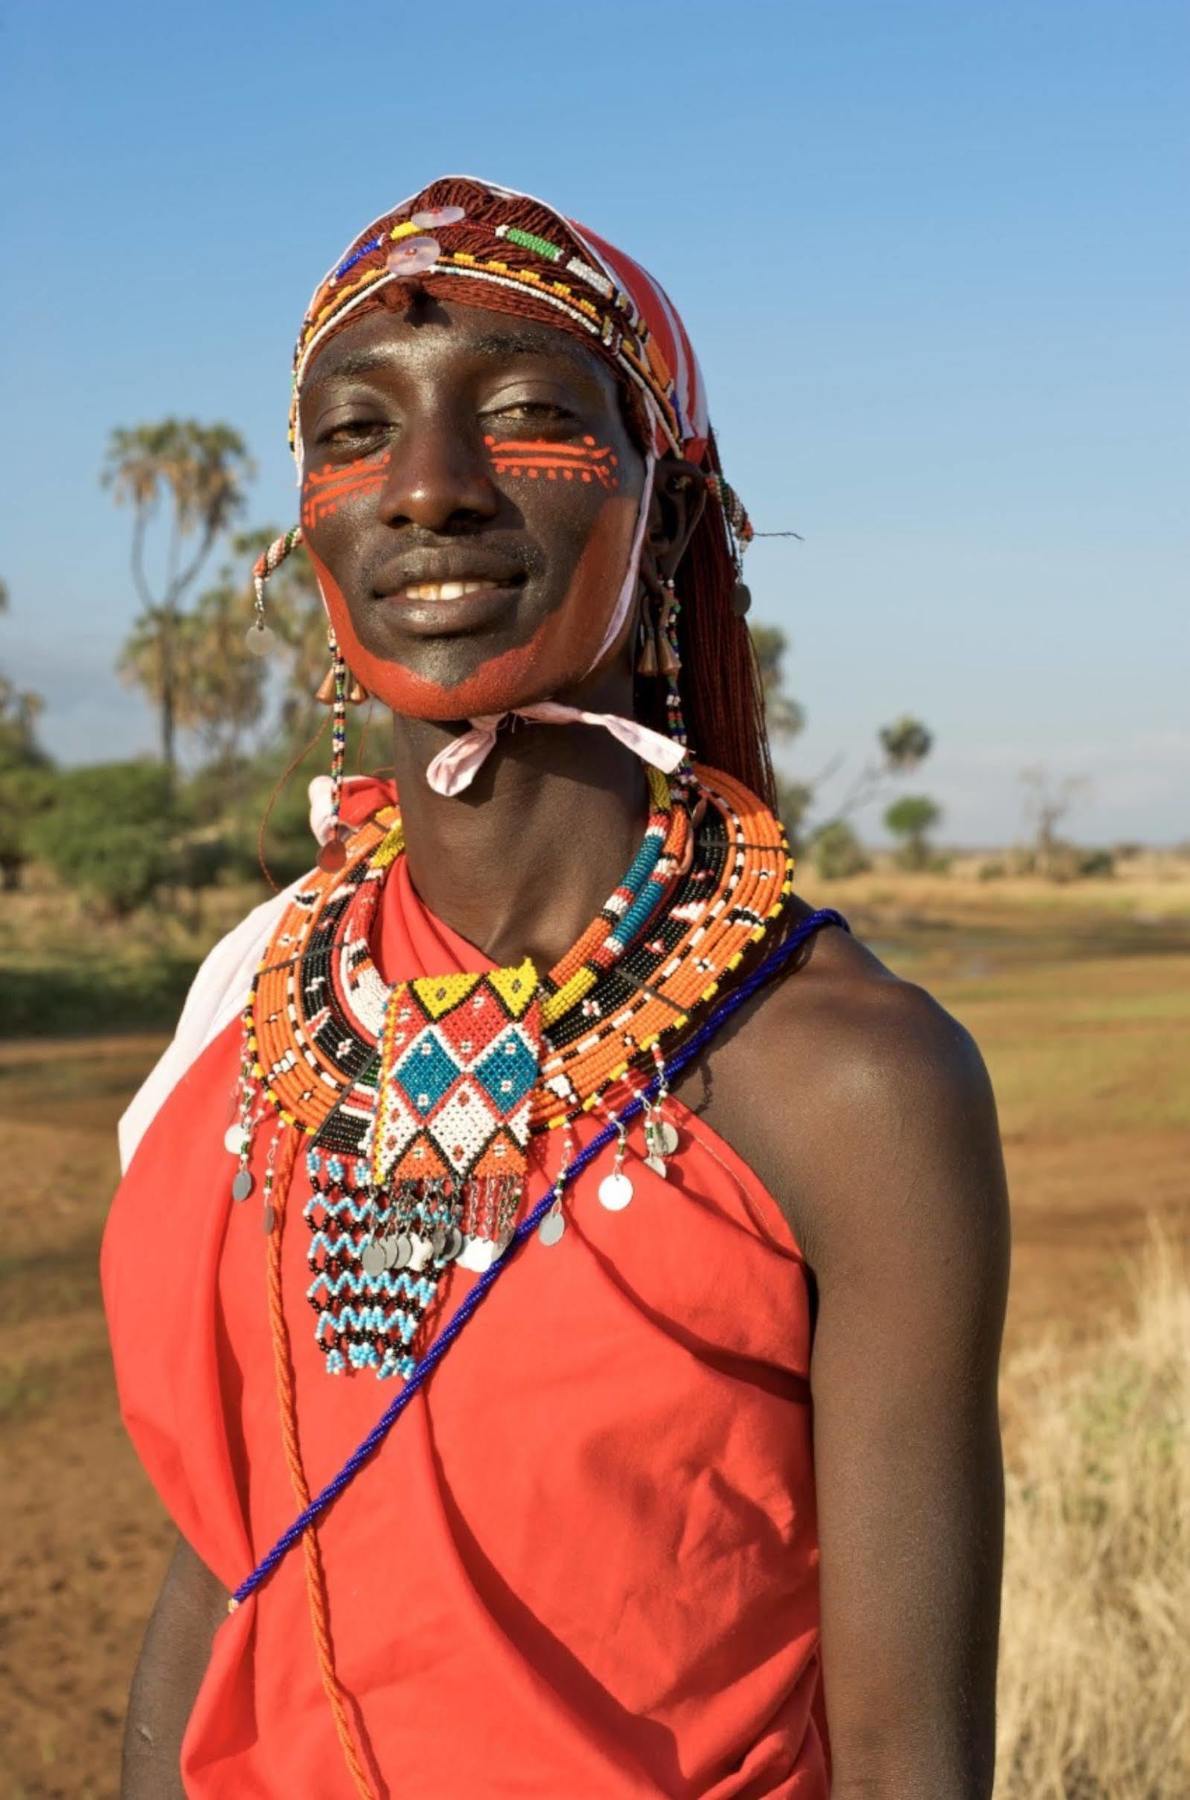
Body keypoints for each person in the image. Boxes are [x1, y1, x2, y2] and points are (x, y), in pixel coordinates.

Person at [103, 176, 1010, 1799]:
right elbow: (222, 1573)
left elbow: (902, 1756)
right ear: (305, 525)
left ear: (664, 518)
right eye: (354, 431)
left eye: (524, 417)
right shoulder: (253, 1016)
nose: (426, 490)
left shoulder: (845, 1081)